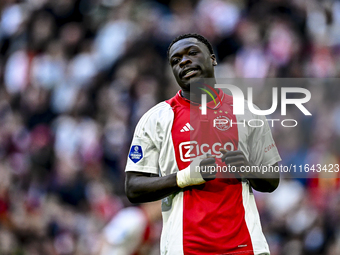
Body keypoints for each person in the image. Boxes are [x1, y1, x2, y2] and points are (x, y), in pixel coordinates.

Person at [125, 33, 281, 255]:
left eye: (192, 53)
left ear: (213, 59)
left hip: (245, 246)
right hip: (185, 247)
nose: (184, 62)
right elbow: (133, 188)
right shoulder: (156, 119)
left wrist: (247, 167)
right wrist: (183, 178)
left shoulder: (248, 112)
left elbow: (272, 179)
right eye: (175, 60)